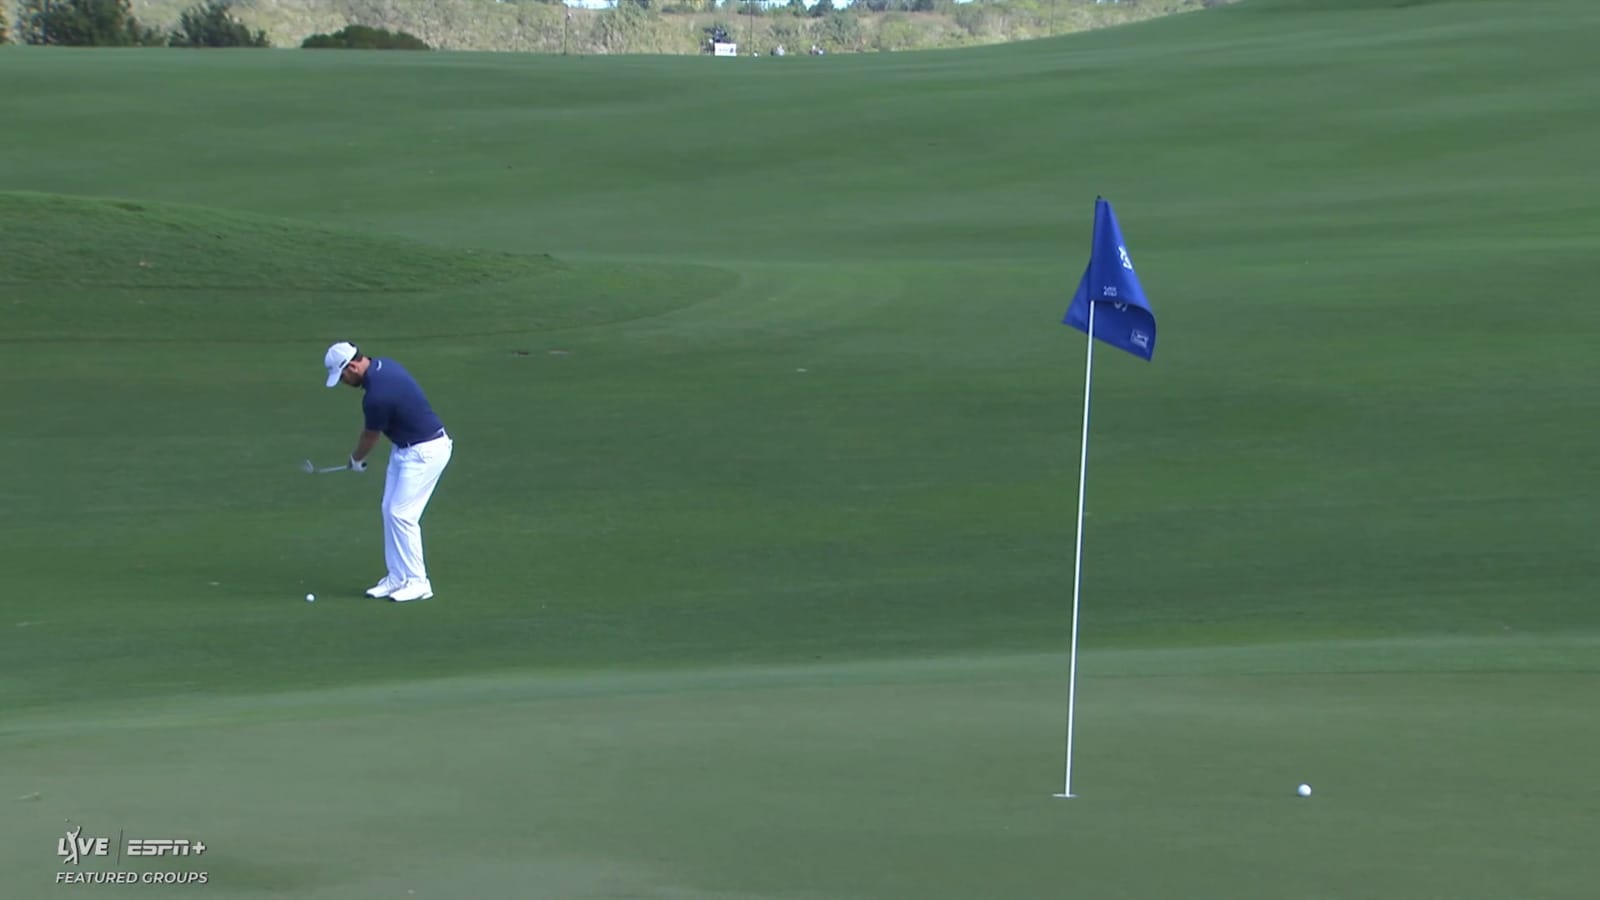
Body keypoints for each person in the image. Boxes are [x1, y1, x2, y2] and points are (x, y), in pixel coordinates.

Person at [323, 341, 454, 603]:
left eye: (343, 376)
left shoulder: (376, 396)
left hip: (424, 453)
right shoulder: (385, 365)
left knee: (402, 514)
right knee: (389, 510)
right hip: (406, 449)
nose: (343, 382)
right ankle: (397, 577)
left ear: (352, 367)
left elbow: (370, 437)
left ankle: (418, 582)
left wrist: (355, 459)